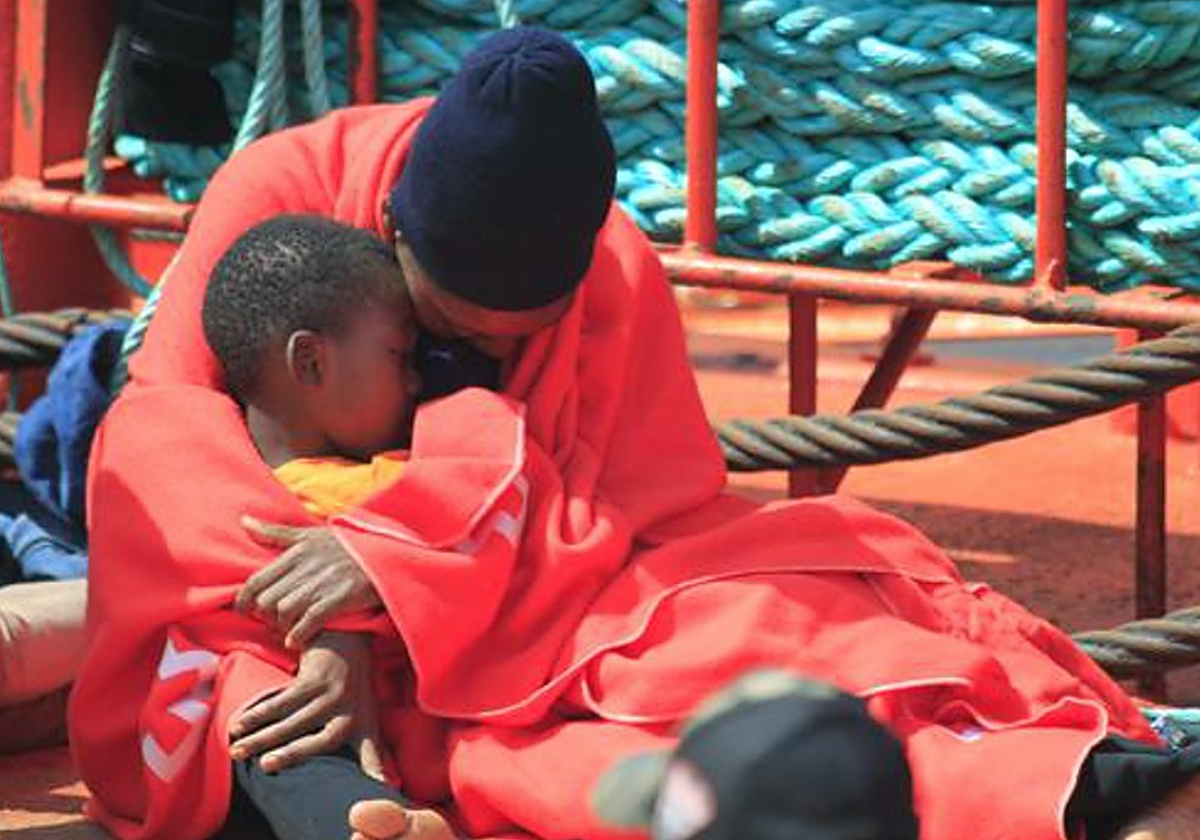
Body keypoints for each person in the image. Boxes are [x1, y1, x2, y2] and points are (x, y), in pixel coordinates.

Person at [69, 24, 1200, 840]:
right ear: (390, 241)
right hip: (265, 612)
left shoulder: (612, 261)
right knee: (296, 696)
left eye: (526, 336)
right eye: (442, 334)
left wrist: (392, 580)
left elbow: (624, 518)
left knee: (761, 625)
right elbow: (165, 445)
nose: (488, 359)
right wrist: (340, 634)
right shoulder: (280, 194)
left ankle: (1053, 774)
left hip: (531, 601)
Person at [200, 213, 471, 840]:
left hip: (404, 723)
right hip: (295, 738)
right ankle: (367, 825)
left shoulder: (232, 479)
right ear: (312, 362)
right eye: (400, 354)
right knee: (264, 714)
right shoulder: (396, 477)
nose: (414, 380)